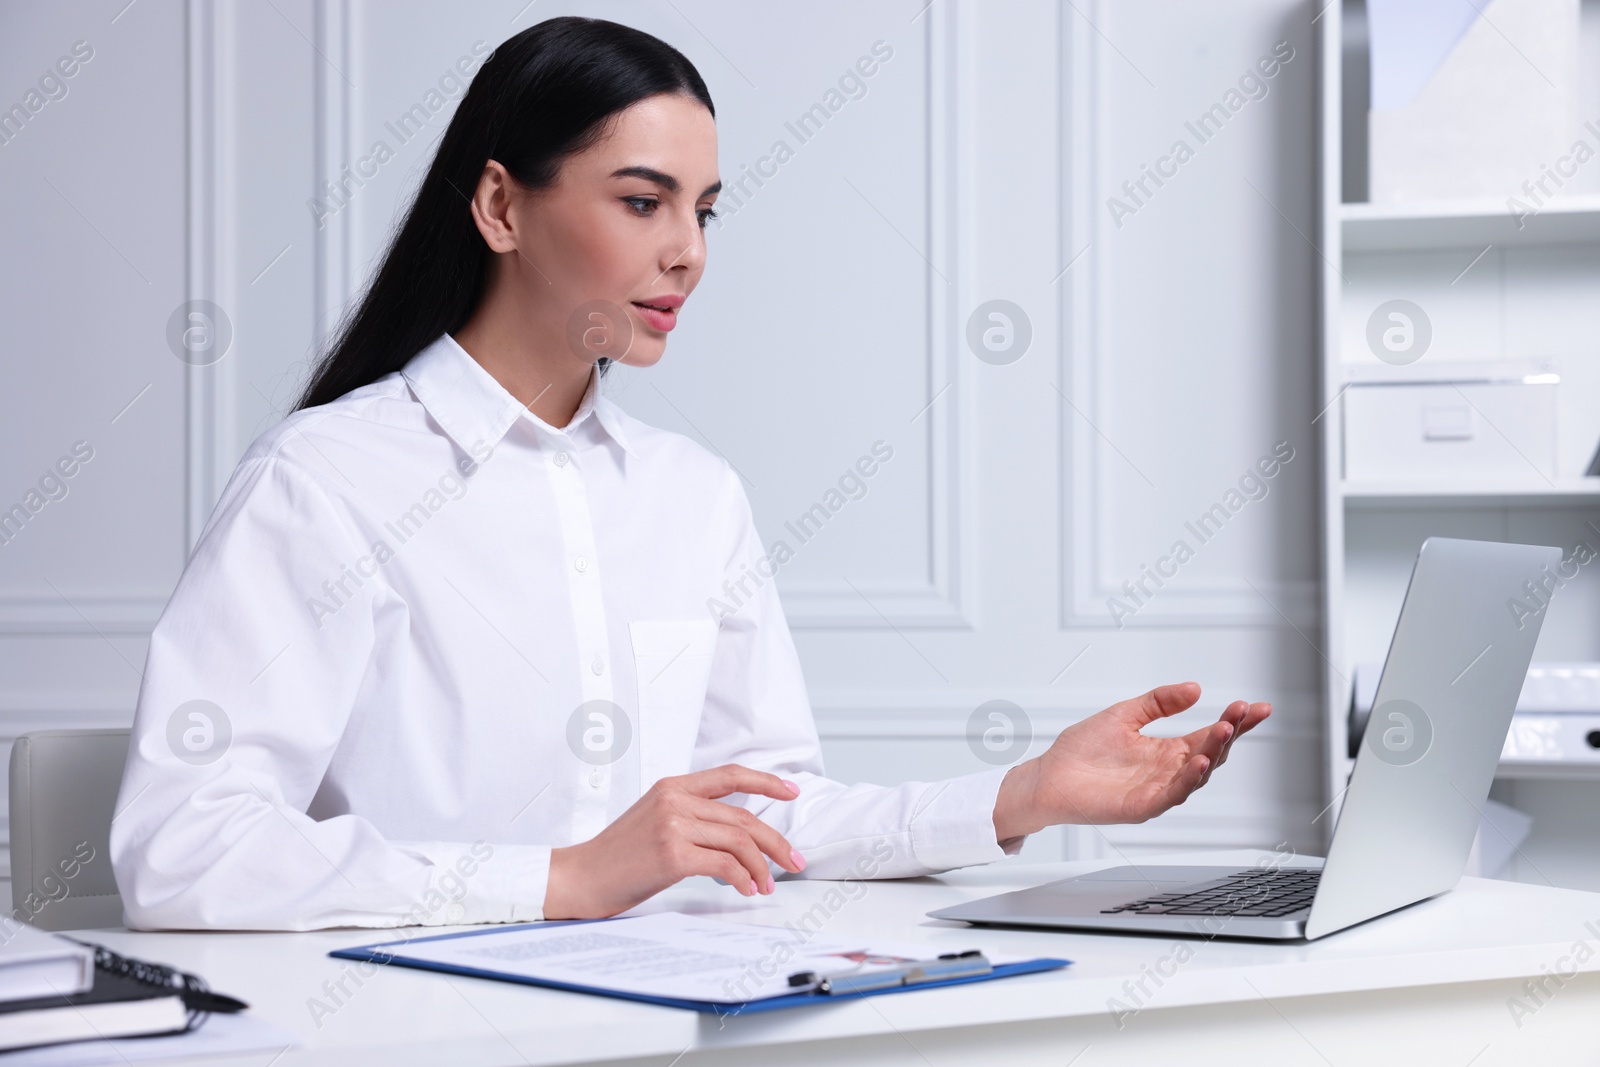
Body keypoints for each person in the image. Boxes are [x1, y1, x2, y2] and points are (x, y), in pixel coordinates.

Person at [109, 16, 1270, 930]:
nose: (687, 253)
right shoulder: (326, 480)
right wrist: (562, 875)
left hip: (671, 1011)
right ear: (502, 204)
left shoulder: (692, 494)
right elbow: (185, 845)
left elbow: (762, 813)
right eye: (641, 201)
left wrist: (1026, 794)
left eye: (703, 210)